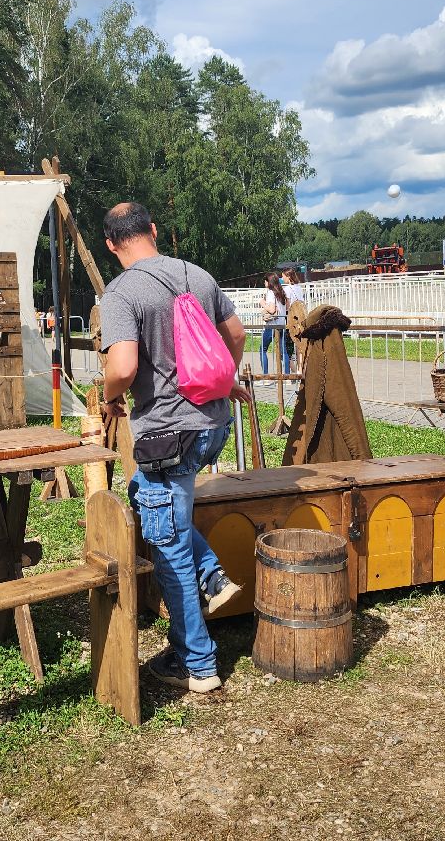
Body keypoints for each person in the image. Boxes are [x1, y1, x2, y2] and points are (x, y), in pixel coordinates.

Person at [99, 202, 249, 691]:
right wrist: (219, 379)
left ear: (110, 244)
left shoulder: (121, 292)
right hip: (212, 425)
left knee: (168, 545)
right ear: (154, 230)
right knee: (149, 498)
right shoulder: (197, 275)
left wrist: (109, 398)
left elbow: (121, 368)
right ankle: (212, 576)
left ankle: (197, 664)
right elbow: (238, 334)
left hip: (167, 436)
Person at [260, 273, 291, 376]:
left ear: (269, 282)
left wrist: (263, 303)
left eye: (265, 281)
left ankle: (265, 376)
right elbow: (287, 307)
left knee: (262, 349)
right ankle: (287, 376)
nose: (264, 283)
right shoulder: (282, 292)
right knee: (284, 351)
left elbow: (272, 310)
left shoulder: (270, 292)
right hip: (281, 324)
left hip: (272, 325)